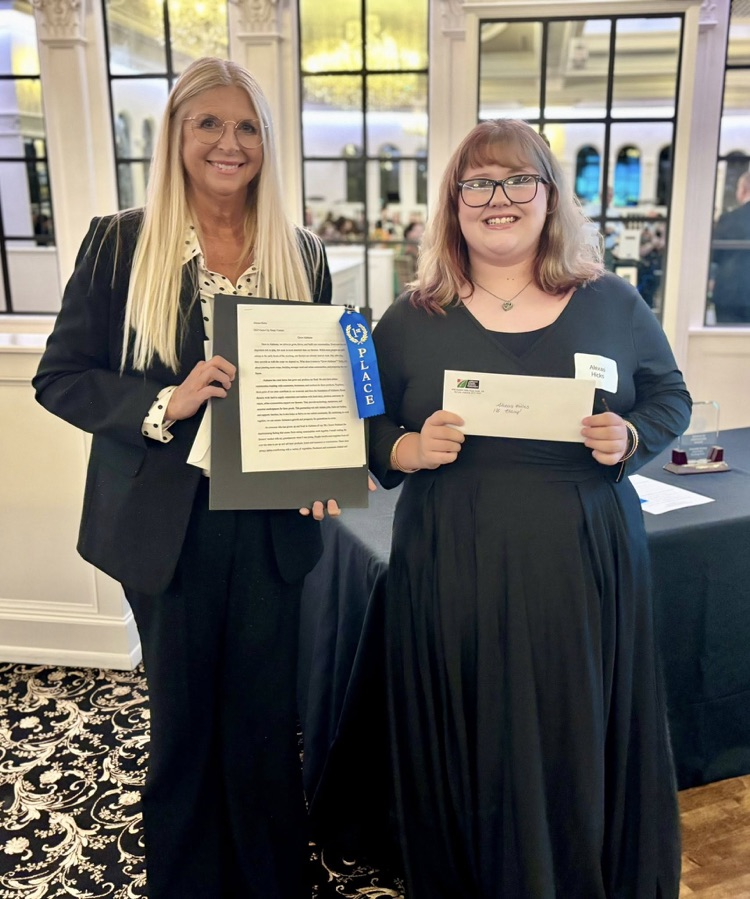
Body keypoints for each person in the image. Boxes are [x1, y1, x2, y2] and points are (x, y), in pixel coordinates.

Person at [33, 57, 335, 899]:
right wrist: (167, 399)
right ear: (174, 135)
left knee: (267, 719)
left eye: (246, 127)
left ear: (267, 145)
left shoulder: (303, 252)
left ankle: (271, 877)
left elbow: (317, 383)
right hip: (166, 525)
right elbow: (60, 377)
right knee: (186, 719)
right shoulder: (119, 242)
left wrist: (322, 460)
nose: (228, 142)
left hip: (272, 520)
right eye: (208, 123)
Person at [369, 119, 690, 899]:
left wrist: (630, 434)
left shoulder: (610, 298)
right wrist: (407, 449)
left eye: (519, 181)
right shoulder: (413, 315)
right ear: (454, 202)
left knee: (570, 727)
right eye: (478, 183)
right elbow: (364, 424)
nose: (499, 199)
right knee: (466, 729)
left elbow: (668, 397)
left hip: (581, 560)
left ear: (551, 197)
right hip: (450, 560)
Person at [711, 170, 750, 323]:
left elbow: (715, 255)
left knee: (725, 344)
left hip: (729, 294)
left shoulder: (727, 219)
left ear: (743, 190)